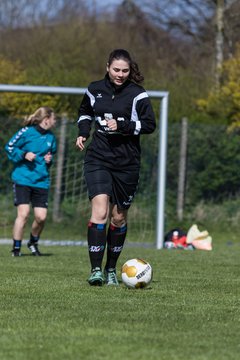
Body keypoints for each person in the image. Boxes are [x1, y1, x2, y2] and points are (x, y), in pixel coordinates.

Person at [76, 49, 156, 286]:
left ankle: (111, 268)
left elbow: (150, 125)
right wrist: (83, 133)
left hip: (127, 163)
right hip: (98, 157)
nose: (120, 74)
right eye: (116, 70)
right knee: (100, 211)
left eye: (125, 71)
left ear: (130, 70)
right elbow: (84, 112)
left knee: (118, 217)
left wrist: (123, 124)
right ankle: (95, 270)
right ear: (107, 66)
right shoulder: (94, 89)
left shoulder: (138, 95)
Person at [5, 106, 57, 257]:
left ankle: (33, 243)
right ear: (46, 119)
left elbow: (49, 158)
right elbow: (9, 146)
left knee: (41, 217)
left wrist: (49, 160)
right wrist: (23, 154)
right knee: (24, 213)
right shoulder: (26, 132)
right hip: (23, 179)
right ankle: (16, 249)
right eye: (54, 119)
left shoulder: (51, 137)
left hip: (41, 181)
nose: (55, 122)